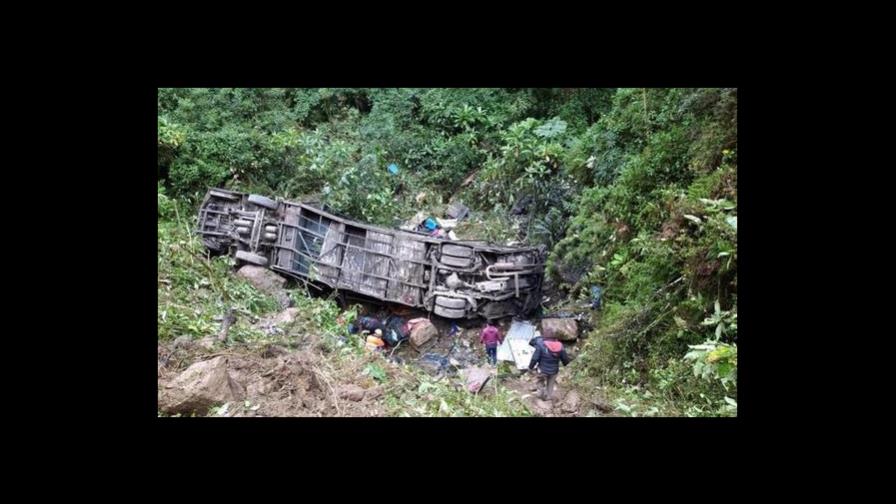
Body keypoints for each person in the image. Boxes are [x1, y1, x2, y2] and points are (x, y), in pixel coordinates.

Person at [528, 335, 571, 400]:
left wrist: (530, 367)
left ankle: (540, 396)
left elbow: (534, 358)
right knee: (550, 385)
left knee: (540, 381)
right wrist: (566, 364)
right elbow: (565, 360)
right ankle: (548, 398)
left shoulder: (541, 344)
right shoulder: (560, 345)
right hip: (554, 371)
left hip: (542, 370)